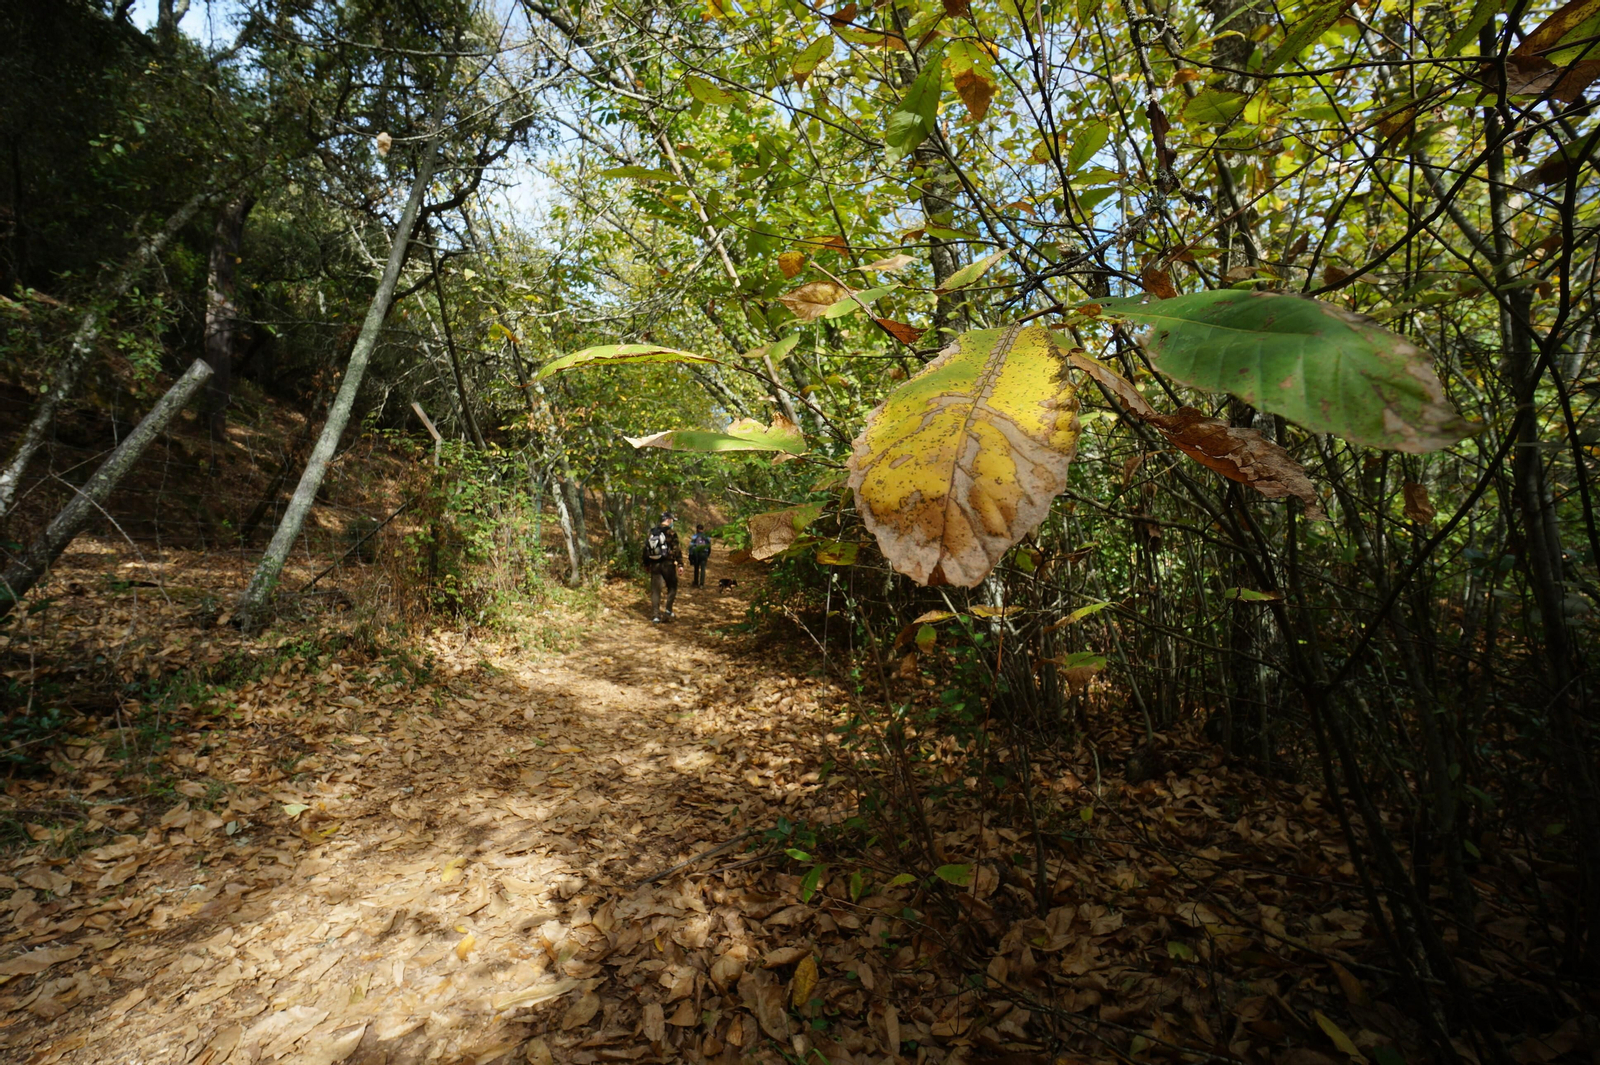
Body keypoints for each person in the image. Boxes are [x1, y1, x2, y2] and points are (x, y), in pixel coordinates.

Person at [642, 511, 681, 623]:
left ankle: (655, 615)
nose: (672, 522)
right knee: (672, 586)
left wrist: (646, 564)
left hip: (655, 564)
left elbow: (646, 549)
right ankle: (668, 610)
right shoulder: (671, 532)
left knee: (655, 590)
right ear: (668, 520)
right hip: (668, 564)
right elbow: (676, 549)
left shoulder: (652, 532)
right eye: (672, 520)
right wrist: (680, 564)